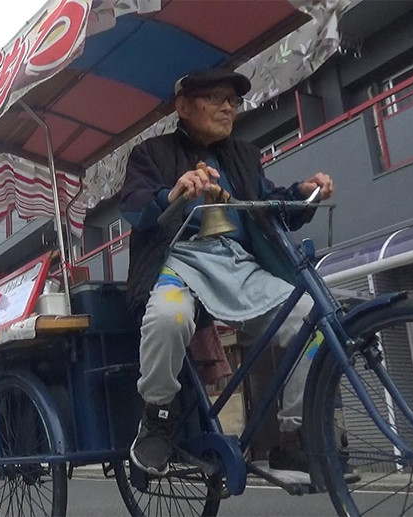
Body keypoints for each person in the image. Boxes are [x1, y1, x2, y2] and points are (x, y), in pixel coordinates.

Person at [121, 68, 335, 477]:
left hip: (238, 264)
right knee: (168, 317)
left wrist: (303, 193)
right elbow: (134, 205)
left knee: (311, 318)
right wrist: (172, 192)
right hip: (179, 261)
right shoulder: (150, 154)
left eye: (233, 101)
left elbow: (270, 204)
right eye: (216, 98)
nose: (228, 107)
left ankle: (299, 434)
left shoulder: (244, 154)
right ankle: (157, 417)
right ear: (183, 107)